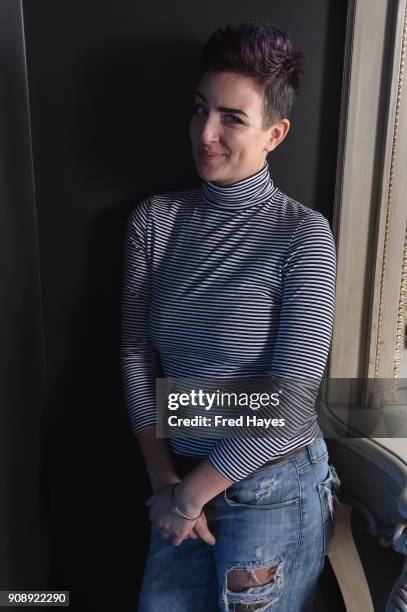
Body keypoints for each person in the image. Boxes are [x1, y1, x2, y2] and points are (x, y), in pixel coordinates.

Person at [120, 21, 341, 612]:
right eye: (200, 109)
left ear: (276, 133)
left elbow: (291, 400)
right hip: (176, 480)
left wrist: (190, 495)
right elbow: (137, 351)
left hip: (272, 487)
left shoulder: (302, 236)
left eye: (232, 119)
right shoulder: (156, 222)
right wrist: (164, 481)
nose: (205, 133)